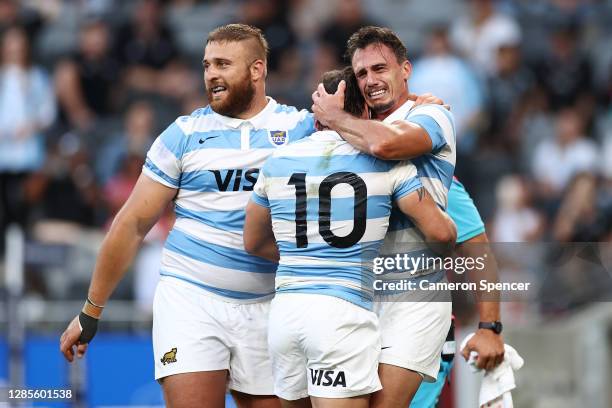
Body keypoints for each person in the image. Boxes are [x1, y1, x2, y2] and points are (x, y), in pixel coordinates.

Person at [59, 24, 315, 408]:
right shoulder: (183, 134)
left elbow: (370, 125)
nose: (211, 73)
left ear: (257, 70)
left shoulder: (300, 128)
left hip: (271, 303)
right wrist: (90, 313)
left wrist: (417, 106)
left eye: (224, 64)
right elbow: (131, 225)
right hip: (191, 299)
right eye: (207, 64)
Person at [312, 26, 504, 407]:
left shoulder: (433, 165)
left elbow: (476, 248)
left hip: (415, 315)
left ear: (406, 69)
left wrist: (489, 327)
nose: (371, 80)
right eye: (362, 74)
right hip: (352, 314)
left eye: (380, 69)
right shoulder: (340, 150)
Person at [243, 68, 456, 408]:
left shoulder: (277, 161)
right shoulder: (385, 163)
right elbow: (442, 232)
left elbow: (252, 241)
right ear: (363, 115)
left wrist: (307, 259)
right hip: (341, 314)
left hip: (285, 315)